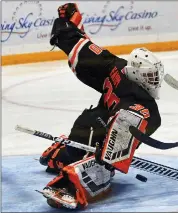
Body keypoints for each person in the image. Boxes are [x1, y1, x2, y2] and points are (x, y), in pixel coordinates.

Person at [37, 3, 164, 210]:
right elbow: (79, 45)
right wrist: (110, 157)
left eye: (154, 76)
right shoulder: (145, 105)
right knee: (108, 147)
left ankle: (61, 152)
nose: (153, 82)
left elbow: (77, 45)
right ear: (133, 72)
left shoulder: (112, 65)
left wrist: (66, 23)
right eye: (148, 76)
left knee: (97, 138)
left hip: (90, 129)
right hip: (95, 134)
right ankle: (72, 184)